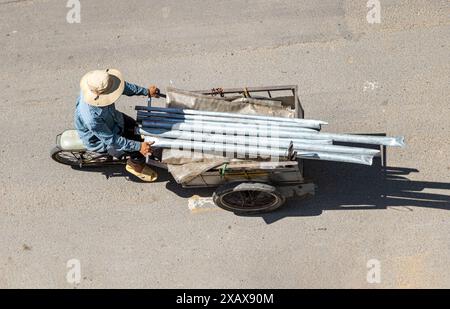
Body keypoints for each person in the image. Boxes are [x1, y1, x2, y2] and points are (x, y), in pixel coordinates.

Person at [74, 68, 158, 182]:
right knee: (137, 152)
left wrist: (145, 91)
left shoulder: (98, 85)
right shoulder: (91, 118)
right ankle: (135, 166)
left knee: (135, 127)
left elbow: (123, 87)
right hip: (103, 138)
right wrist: (139, 147)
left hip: (115, 119)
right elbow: (111, 139)